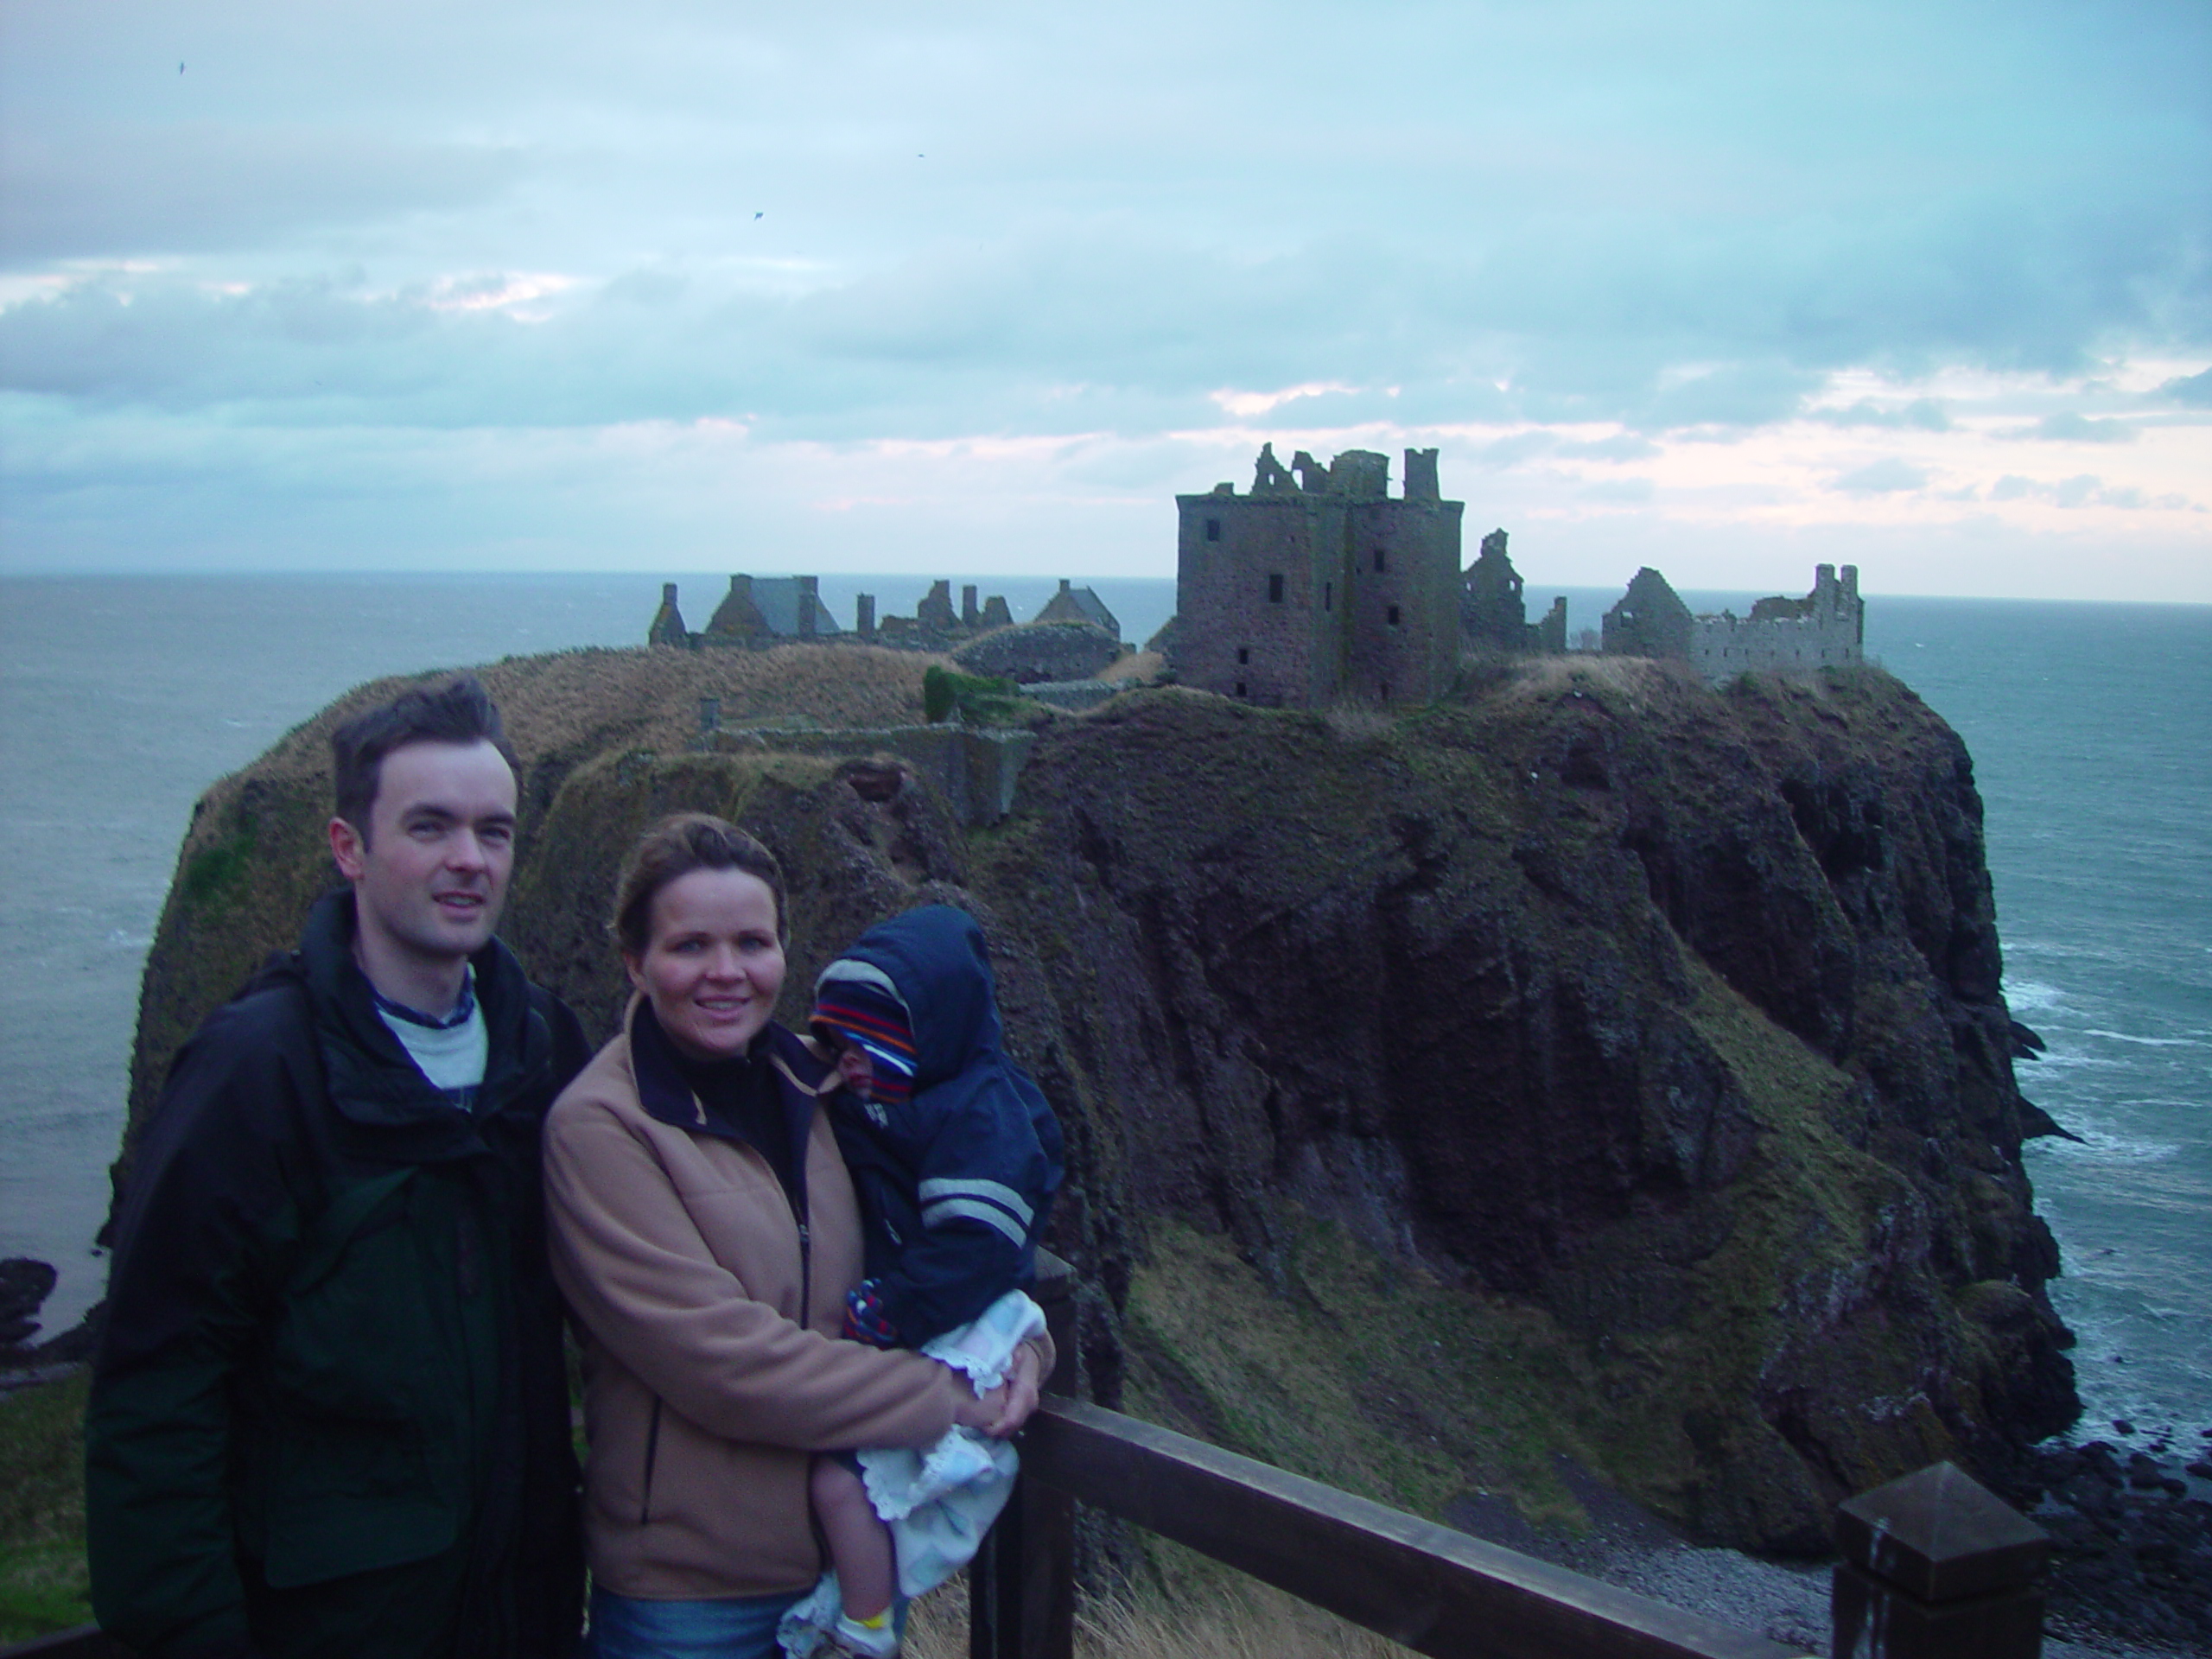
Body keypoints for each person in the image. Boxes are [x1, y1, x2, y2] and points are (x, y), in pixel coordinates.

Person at [86, 673, 594, 1659]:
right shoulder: (257, 1071)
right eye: (430, 828)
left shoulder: (538, 1045)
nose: (468, 861)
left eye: (494, 832)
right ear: (348, 848)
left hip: (518, 1613)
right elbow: (155, 1392)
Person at [542, 815, 1052, 1659]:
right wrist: (954, 1398)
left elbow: (949, 1240)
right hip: (692, 1602)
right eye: (689, 946)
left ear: (784, 952)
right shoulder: (601, 1129)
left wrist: (1021, 1347)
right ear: (634, 962)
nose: (725, 973)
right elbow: (729, 1366)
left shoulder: (832, 1087)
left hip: (850, 1573)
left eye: (752, 942)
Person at [782, 905, 1064, 1657]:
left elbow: (976, 1250)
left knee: (845, 1483)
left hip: (928, 1324)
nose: (848, 1062)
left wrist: (892, 1309)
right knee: (849, 1486)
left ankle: (864, 1628)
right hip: (903, 1332)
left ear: (925, 1040)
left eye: (869, 1045)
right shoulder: (887, 1100)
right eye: (840, 1042)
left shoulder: (977, 1117)